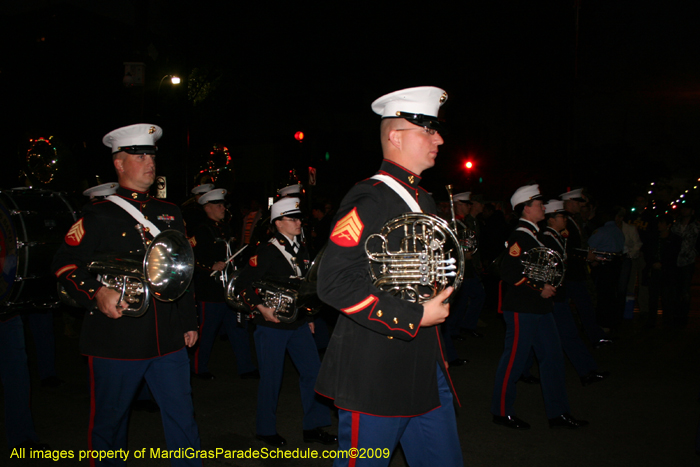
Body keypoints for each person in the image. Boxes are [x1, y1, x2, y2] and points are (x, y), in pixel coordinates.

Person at [314, 86, 463, 467]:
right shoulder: (372, 197)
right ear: (396, 136)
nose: (439, 139)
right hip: (376, 370)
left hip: (424, 365)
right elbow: (333, 281)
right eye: (428, 129)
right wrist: (415, 315)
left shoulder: (422, 199)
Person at [51, 124, 202, 466]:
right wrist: (96, 293)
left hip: (168, 337)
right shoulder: (98, 214)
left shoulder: (170, 212)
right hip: (116, 338)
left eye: (151, 154)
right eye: (139, 155)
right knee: (110, 428)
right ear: (119, 163)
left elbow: (182, 271)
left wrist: (189, 321)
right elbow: (64, 264)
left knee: (183, 421)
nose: (149, 161)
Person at [235, 197, 336, 447]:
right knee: (272, 378)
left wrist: (309, 316)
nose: (299, 222)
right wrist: (260, 308)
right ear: (278, 223)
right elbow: (243, 284)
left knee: (313, 373)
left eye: (299, 218)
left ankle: (313, 426)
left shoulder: (301, 248)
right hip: (271, 325)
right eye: (293, 218)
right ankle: (265, 429)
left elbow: (303, 287)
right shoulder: (267, 250)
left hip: (297, 322)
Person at [491, 184, 588, 430]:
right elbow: (509, 272)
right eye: (538, 204)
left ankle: (558, 413)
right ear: (525, 209)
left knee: (553, 358)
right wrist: (540, 286)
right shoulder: (520, 235)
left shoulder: (533, 234)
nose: (543, 207)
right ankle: (501, 411)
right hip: (523, 307)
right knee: (513, 360)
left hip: (539, 307)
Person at [190, 188, 258, 381]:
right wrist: (209, 265)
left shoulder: (226, 228)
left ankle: (246, 367)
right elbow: (190, 257)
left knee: (239, 327)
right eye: (219, 205)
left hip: (230, 289)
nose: (223, 208)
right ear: (208, 208)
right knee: (207, 331)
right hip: (210, 291)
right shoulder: (201, 230)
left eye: (223, 204)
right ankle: (197, 368)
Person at [540, 200, 609, 386]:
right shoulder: (548, 238)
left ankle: (587, 369)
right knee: (567, 334)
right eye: (562, 216)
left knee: (554, 336)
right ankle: (586, 371)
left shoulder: (555, 237)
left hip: (557, 293)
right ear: (552, 219)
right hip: (555, 295)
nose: (565, 219)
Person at [560, 188, 611, 347]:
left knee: (582, 306)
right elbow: (566, 248)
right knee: (581, 306)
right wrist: (585, 255)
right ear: (569, 202)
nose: (580, 205)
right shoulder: (564, 220)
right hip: (571, 272)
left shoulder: (574, 219)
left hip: (575, 271)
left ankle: (593, 336)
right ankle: (592, 337)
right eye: (577, 202)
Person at [670, 204, 699, 328]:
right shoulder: (676, 225)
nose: (684, 211)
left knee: (685, 288)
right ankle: (675, 315)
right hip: (675, 260)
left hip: (688, 260)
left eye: (687, 208)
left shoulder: (696, 225)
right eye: (683, 208)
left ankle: (683, 316)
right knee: (676, 288)